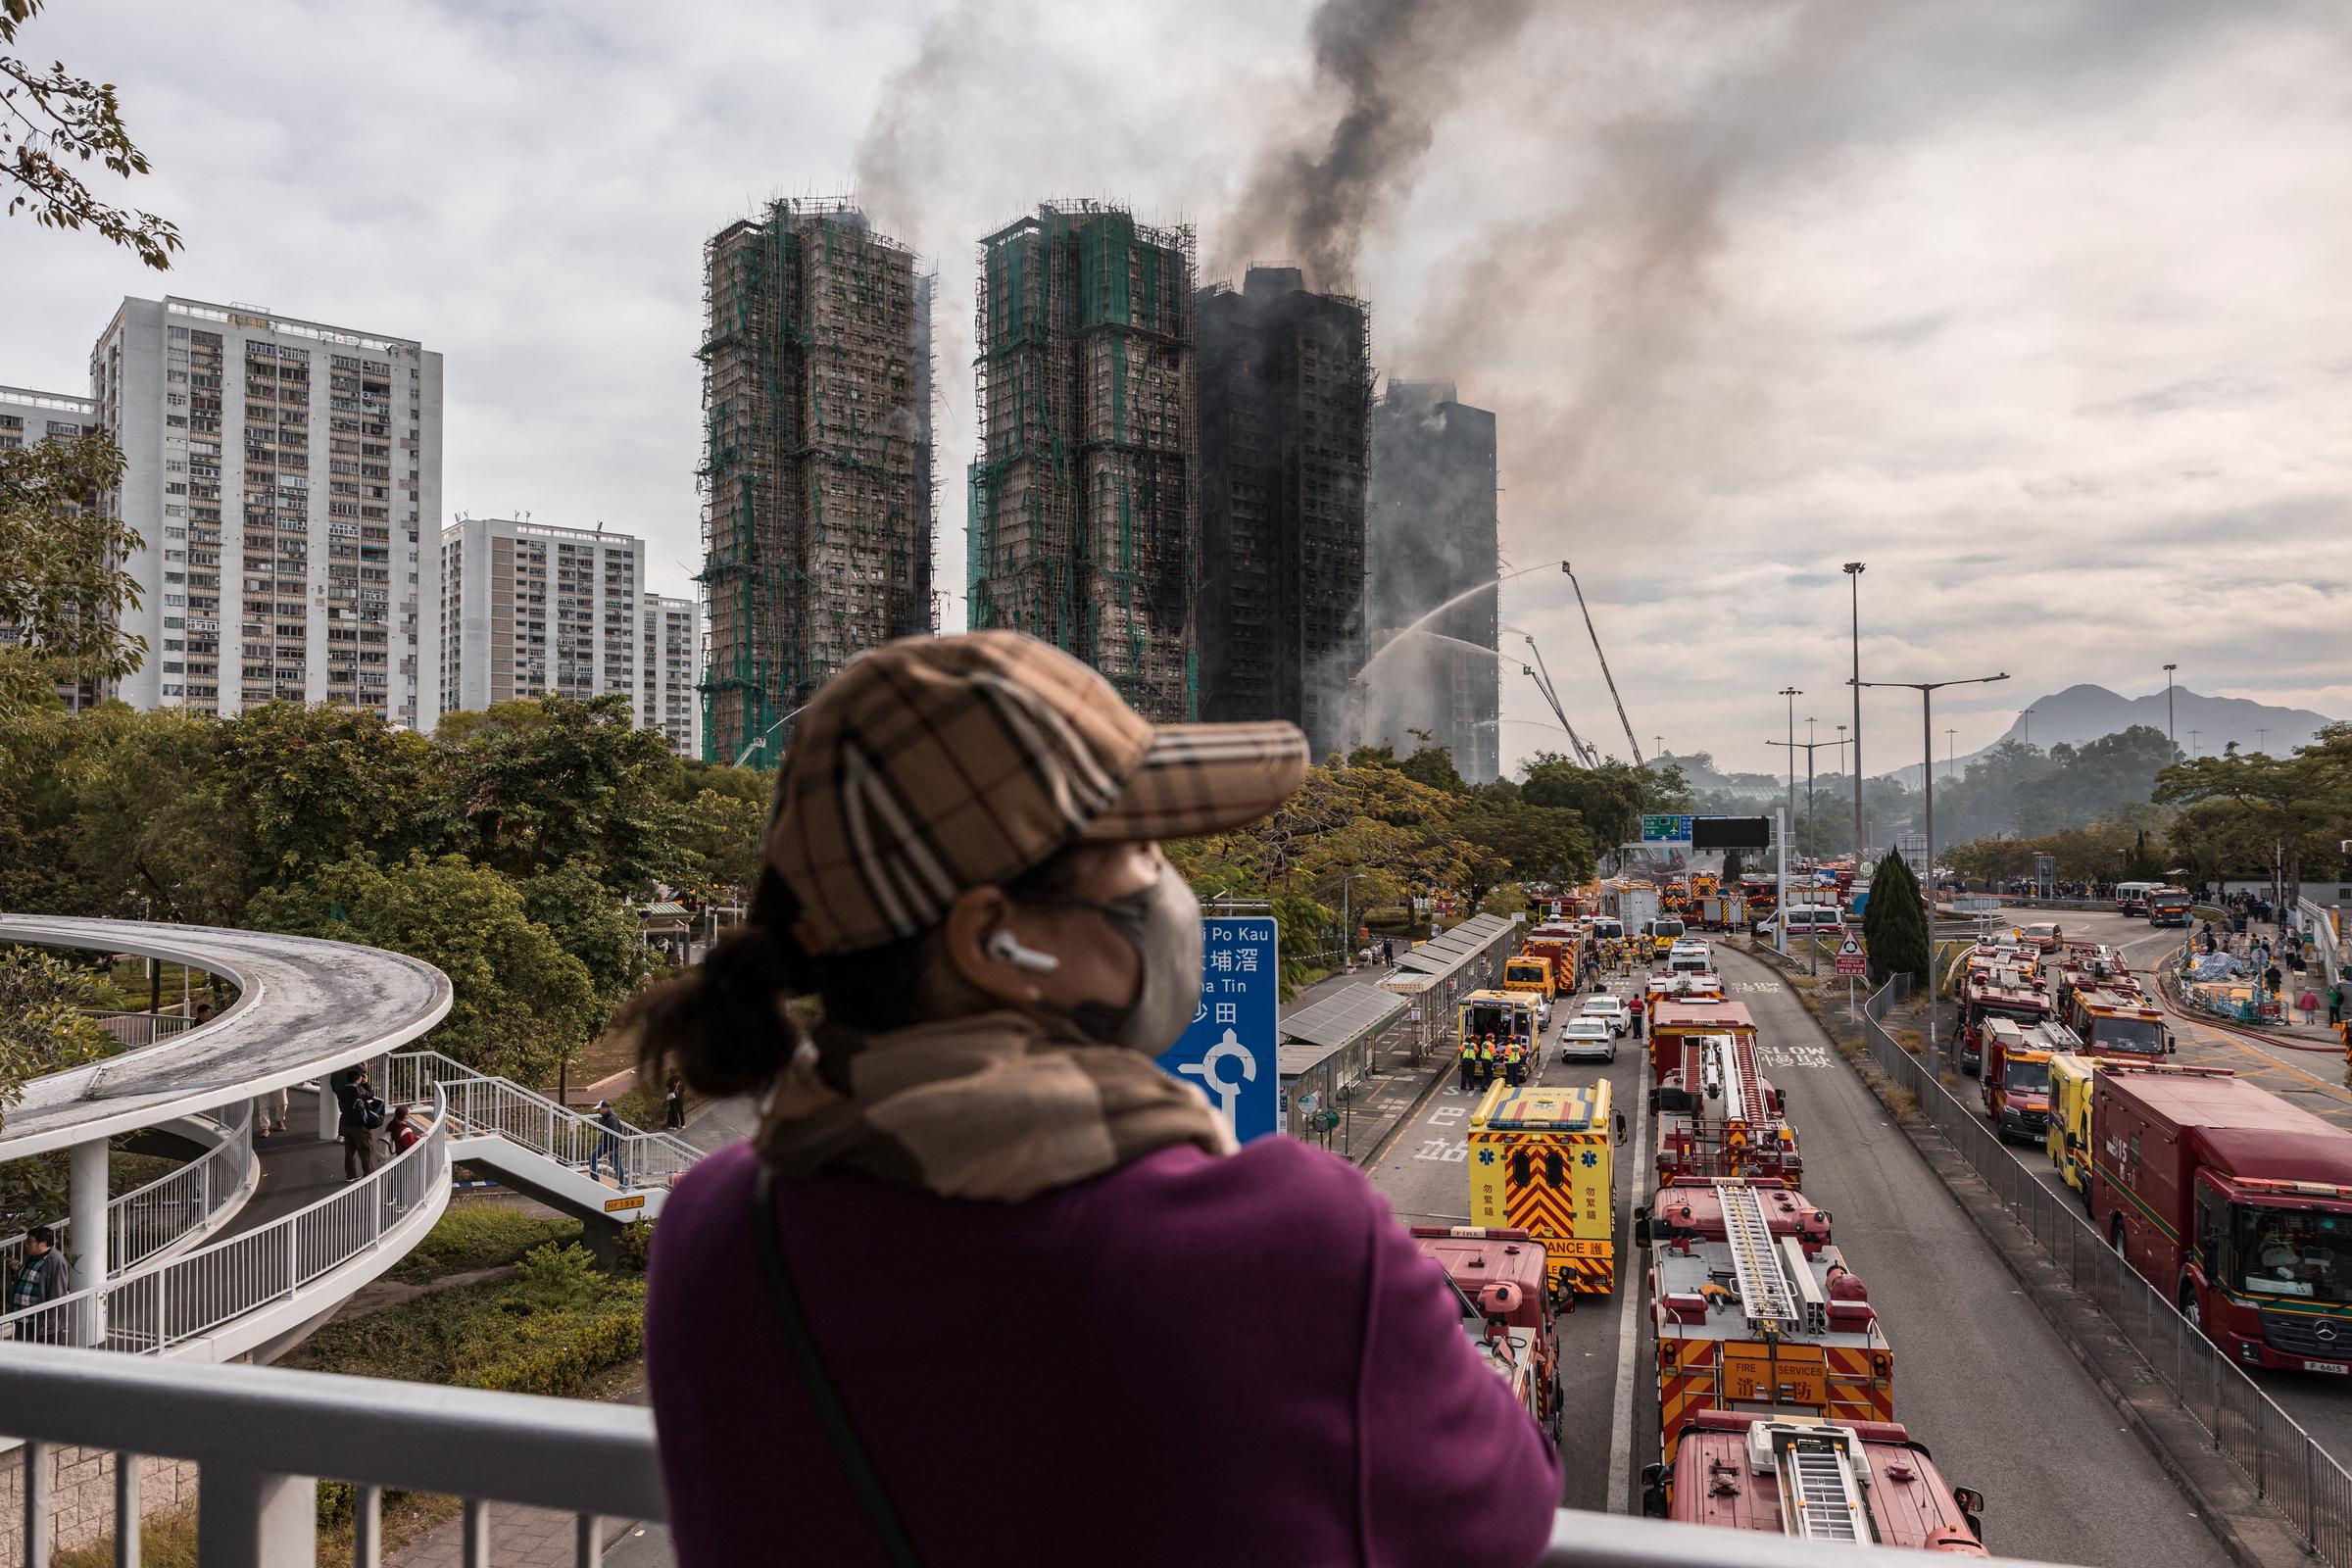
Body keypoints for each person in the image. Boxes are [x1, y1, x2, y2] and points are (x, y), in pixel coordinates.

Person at [626, 632, 1558, 1568]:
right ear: (995, 939)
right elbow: (1505, 1513)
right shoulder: (1287, 1240)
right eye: (1135, 852)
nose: (1171, 887)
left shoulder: (717, 1231)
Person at [7, 1225, 72, 1340]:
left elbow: (57, 1293)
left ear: (43, 1243)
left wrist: (48, 1323)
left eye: (30, 1241)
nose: (26, 1244)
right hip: (24, 1317)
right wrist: (16, 1271)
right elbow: (28, 1282)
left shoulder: (55, 1260)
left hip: (41, 1322)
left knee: (43, 1355)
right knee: (22, 1354)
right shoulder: (33, 1257)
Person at [339, 1078, 384, 1180]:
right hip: (359, 1127)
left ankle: (351, 1175)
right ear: (358, 1079)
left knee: (349, 1153)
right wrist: (365, 1082)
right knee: (366, 1152)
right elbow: (370, 1094)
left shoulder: (341, 1092)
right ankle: (369, 1176)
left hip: (346, 1125)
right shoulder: (357, 1091)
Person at [589, 1100, 630, 1189]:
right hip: (605, 1143)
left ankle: (624, 1184)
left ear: (605, 1108)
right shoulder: (605, 1116)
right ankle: (595, 1180)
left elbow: (614, 1135)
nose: (598, 1111)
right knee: (592, 1156)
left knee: (616, 1165)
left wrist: (611, 1149)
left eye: (600, 1109)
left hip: (611, 1146)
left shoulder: (611, 1119)